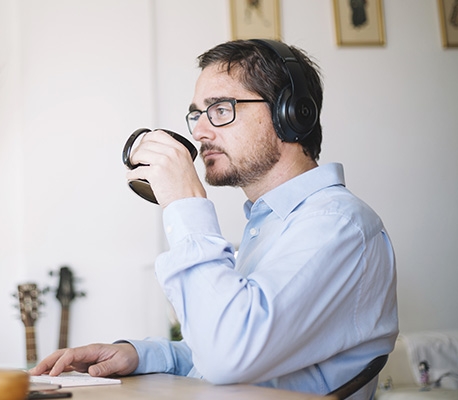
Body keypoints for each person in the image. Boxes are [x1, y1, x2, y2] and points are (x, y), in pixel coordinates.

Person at [29, 39, 398, 398]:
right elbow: (227, 348)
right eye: (197, 114)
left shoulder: (338, 225)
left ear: (291, 113)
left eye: (220, 109)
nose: (199, 132)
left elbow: (228, 356)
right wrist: (140, 354)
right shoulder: (271, 223)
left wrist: (186, 203)